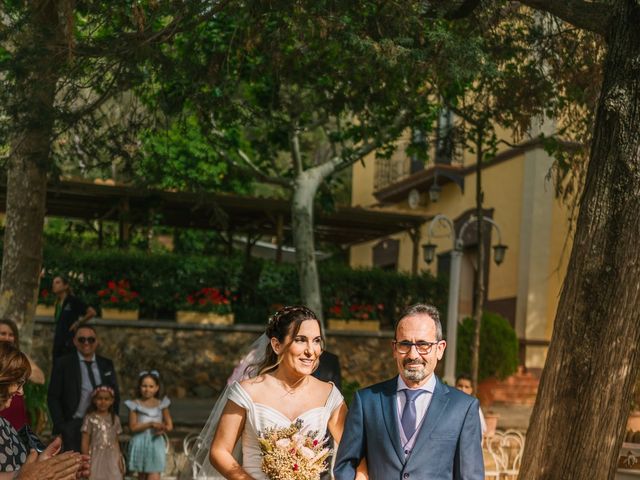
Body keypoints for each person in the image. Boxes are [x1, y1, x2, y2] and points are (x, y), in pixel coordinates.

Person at [334, 303, 485, 480]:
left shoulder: (463, 408)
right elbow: (345, 465)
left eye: (423, 345)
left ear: (440, 349)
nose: (413, 354)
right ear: (394, 349)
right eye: (405, 344)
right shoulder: (367, 401)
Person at [200, 305, 351, 479]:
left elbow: (353, 453)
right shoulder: (247, 392)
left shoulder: (329, 395)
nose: (311, 351)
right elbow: (219, 451)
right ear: (277, 345)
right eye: (300, 340)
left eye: (316, 340)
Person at [0, 342, 90, 480]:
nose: (21, 391)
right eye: (18, 382)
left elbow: (16, 474)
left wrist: (48, 469)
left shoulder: (4, 425)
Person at [48, 325, 120, 453]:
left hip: (102, 425)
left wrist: (114, 421)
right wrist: (61, 426)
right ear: (75, 341)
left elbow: (115, 395)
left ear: (96, 341)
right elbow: (53, 397)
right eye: (82, 339)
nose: (86, 343)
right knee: (74, 469)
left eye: (90, 339)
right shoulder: (63, 364)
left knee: (99, 468)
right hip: (74, 425)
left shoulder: (106, 364)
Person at [125, 370, 173, 480]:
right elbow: (133, 427)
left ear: (156, 388)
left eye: (151, 386)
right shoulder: (134, 405)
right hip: (140, 442)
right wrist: (150, 424)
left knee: (154, 475)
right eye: (144, 386)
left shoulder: (162, 404)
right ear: (139, 387)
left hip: (155, 442)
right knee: (142, 476)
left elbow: (169, 426)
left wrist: (162, 428)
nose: (147, 389)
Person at [0, 319, 45, 430]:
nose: (7, 337)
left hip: (13, 401)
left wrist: (17, 370)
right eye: (3, 334)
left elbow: (41, 378)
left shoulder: (19, 357)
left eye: (11, 334)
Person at [81, 385, 124, 480]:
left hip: (112, 455)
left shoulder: (115, 419)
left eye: (106, 399)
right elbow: (85, 441)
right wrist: (86, 460)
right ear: (94, 400)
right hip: (95, 456)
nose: (103, 402)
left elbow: (116, 441)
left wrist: (119, 458)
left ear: (112, 401)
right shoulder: (90, 418)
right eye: (100, 398)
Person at [51, 275, 96, 361]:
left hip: (69, 342)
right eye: (53, 283)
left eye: (57, 282)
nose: (54, 285)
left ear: (65, 286)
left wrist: (78, 322)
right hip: (58, 341)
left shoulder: (73, 300)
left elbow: (92, 312)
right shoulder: (57, 303)